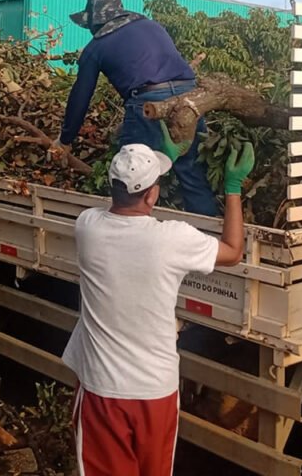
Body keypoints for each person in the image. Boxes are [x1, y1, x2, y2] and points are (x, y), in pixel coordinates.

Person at [62, 128, 255, 476]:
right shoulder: (173, 239)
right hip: (157, 391)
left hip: (103, 392)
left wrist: (153, 162)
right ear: (153, 195)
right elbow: (233, 251)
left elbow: (116, 207)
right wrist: (233, 187)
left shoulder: (87, 227)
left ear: (111, 187)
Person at [51, 0, 219, 216]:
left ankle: (131, 236)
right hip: (190, 97)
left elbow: (81, 97)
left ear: (95, 22)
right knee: (191, 171)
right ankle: (208, 239)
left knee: (129, 177)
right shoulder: (151, 26)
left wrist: (66, 139)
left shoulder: (96, 47)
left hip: (150, 103)